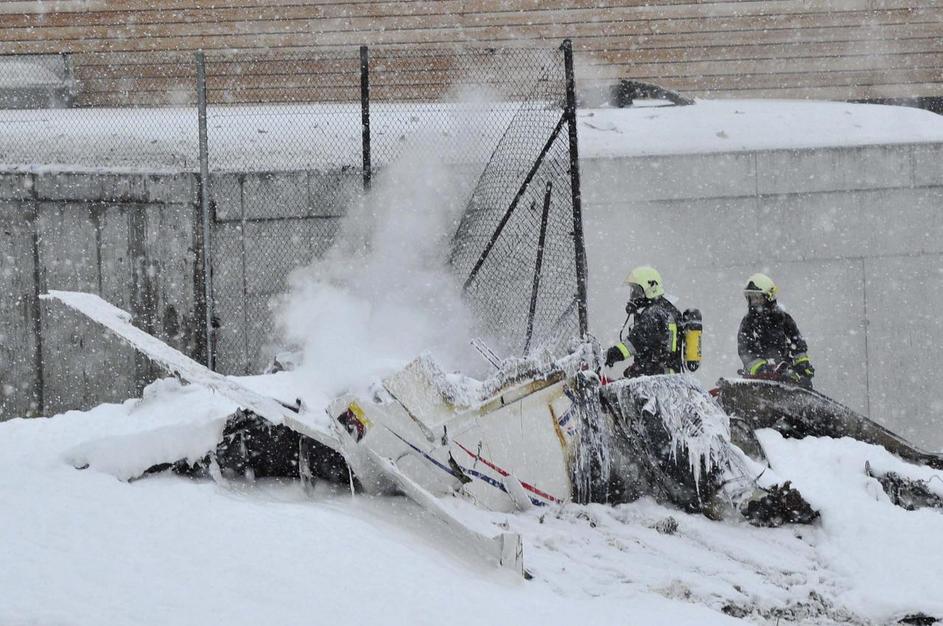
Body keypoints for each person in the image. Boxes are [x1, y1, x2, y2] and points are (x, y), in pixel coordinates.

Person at [737, 273, 814, 388]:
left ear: (769, 297)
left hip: (785, 373)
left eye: (758, 298)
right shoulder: (748, 323)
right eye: (751, 298)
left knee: (804, 386)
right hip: (757, 381)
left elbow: (798, 345)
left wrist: (802, 365)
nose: (754, 302)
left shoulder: (783, 319)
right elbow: (744, 350)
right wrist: (761, 368)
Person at [604, 266, 682, 377]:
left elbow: (633, 344)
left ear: (651, 288)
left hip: (657, 379)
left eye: (637, 291)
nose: (633, 296)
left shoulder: (652, 314)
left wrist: (608, 356)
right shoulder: (668, 309)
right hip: (668, 375)